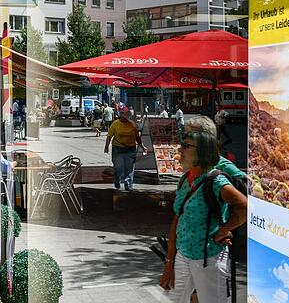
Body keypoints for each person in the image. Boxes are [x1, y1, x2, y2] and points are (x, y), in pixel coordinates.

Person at [160, 127, 247, 303]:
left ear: (201, 152)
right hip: (183, 255)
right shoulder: (185, 179)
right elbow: (178, 219)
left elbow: (245, 207)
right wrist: (169, 263)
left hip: (209, 258)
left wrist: (224, 229)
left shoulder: (216, 182)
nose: (180, 150)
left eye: (186, 146)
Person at [104, 107, 147, 191]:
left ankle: (128, 184)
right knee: (118, 167)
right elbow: (109, 136)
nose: (127, 116)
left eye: (128, 115)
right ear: (121, 115)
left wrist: (142, 146)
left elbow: (137, 137)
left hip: (130, 149)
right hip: (117, 149)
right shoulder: (115, 124)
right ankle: (117, 179)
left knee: (129, 167)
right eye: (125, 114)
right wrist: (106, 147)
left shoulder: (132, 124)